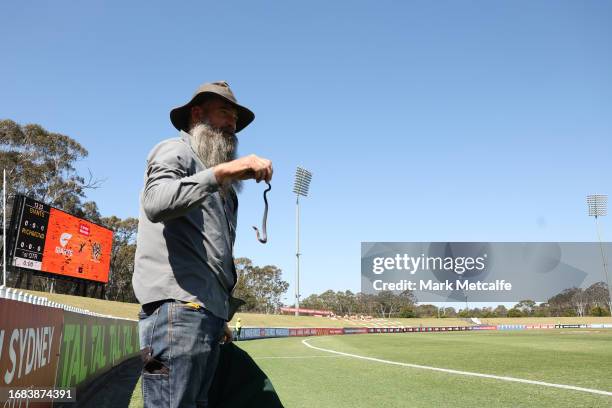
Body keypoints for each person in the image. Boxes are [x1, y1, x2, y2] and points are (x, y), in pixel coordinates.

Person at [132, 81, 273, 408]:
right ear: (197, 114)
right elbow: (155, 202)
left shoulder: (223, 189)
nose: (233, 125)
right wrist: (223, 172)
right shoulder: (175, 150)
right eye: (225, 113)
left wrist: (219, 313)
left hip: (205, 317)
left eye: (236, 119)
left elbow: (213, 254)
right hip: (175, 313)